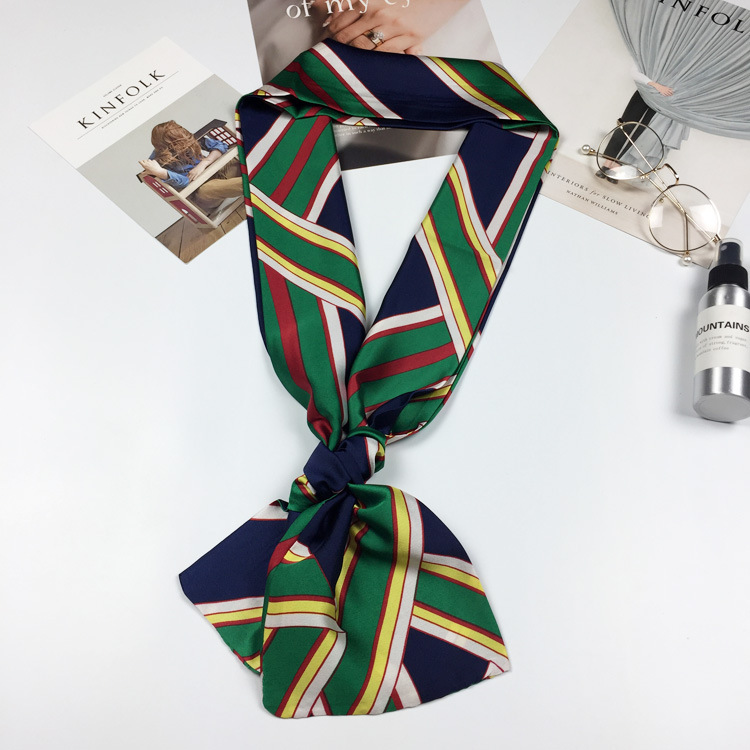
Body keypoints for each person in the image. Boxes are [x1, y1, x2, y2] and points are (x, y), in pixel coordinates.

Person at [138, 120, 243, 214]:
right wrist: (161, 173)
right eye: (178, 145)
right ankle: (250, 183)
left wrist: (204, 163)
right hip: (203, 191)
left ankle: (245, 181)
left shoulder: (187, 139)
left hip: (217, 173)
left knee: (237, 155)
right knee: (207, 189)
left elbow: (221, 146)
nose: (183, 146)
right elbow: (184, 182)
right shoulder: (158, 162)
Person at [597, 65, 674, 183]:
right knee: (625, 126)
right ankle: (607, 164)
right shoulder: (656, 58)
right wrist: (657, 85)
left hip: (661, 101)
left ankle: (616, 166)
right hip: (644, 92)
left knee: (639, 133)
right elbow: (634, 71)